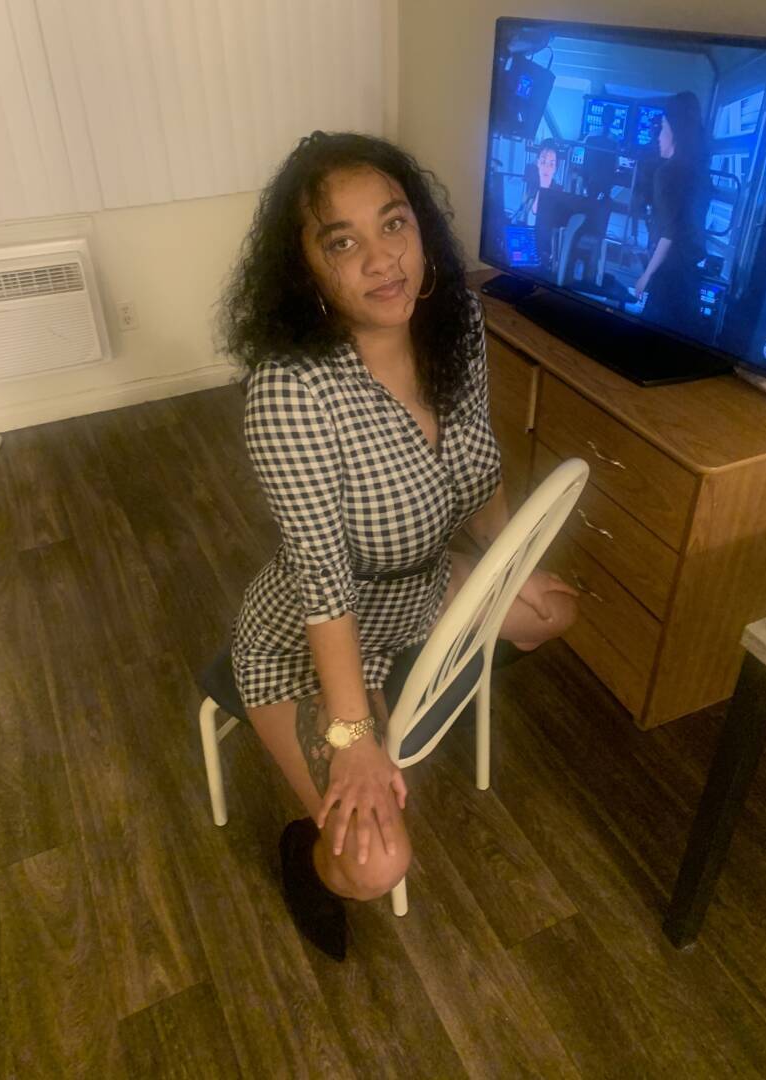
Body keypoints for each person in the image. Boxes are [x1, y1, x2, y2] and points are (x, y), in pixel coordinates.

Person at [215, 131, 579, 961]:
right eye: (341, 242)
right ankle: (306, 852)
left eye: (393, 223)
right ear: (306, 270)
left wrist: (505, 562)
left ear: (422, 228)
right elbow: (323, 582)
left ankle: (401, 702)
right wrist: (351, 737)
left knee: (552, 611)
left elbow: (479, 467)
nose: (383, 259)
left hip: (415, 584)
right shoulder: (292, 392)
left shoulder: (454, 323)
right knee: (374, 865)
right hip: (307, 638)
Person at [633, 92, 710, 338]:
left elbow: (669, 234)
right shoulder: (698, 171)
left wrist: (646, 276)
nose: (659, 136)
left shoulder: (667, 173)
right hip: (690, 276)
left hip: (669, 275)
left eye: (664, 128)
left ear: (676, 131)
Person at [512, 139, 562, 272]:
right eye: (543, 162)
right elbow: (520, 220)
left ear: (556, 168)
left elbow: (554, 232)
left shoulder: (559, 192)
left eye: (551, 164)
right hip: (522, 250)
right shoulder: (529, 188)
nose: (547, 167)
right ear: (537, 163)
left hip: (544, 256)